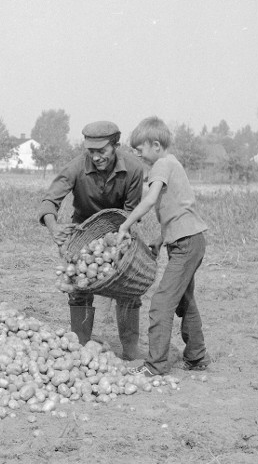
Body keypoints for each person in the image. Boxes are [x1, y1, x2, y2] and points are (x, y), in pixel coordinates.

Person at [38, 120, 146, 358]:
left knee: (129, 288)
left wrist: (120, 242)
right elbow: (49, 201)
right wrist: (54, 227)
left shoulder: (134, 169)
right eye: (91, 151)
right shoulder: (75, 168)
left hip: (120, 232)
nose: (96, 157)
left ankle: (130, 347)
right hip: (83, 233)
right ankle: (81, 344)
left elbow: (131, 212)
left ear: (116, 145)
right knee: (78, 286)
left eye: (102, 151)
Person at [117, 116, 209, 377]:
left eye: (140, 149)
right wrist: (160, 238)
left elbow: (150, 202)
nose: (138, 154)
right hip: (189, 239)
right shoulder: (172, 163)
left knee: (161, 303)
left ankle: (155, 365)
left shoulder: (161, 165)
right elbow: (177, 209)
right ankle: (196, 355)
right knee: (185, 300)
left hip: (187, 243)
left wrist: (125, 225)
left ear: (155, 145)